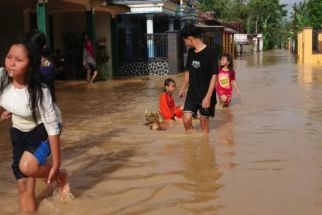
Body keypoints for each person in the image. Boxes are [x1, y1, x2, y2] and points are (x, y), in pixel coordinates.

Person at [0, 40, 72, 212]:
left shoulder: (40, 91)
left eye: (18, 60)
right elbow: (14, 98)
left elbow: (53, 128)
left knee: (27, 166)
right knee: (23, 188)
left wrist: (56, 164)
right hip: (18, 130)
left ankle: (62, 176)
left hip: (43, 129)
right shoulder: (2, 77)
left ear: (30, 64)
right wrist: (11, 109)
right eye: (9, 57)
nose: (11, 63)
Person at [179, 24, 218, 134]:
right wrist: (183, 88)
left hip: (206, 94)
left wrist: (208, 97)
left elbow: (214, 75)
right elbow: (188, 73)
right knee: (186, 120)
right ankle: (191, 147)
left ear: (190, 39)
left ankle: (205, 148)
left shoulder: (211, 52)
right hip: (192, 93)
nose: (185, 44)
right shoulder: (191, 53)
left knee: (203, 124)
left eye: (185, 41)